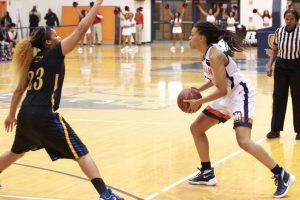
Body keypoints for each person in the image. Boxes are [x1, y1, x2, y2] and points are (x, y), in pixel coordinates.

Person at [0, 1, 123, 199]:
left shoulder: (32, 60)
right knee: (81, 153)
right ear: (49, 42)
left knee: (16, 152)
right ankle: (105, 194)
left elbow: (18, 90)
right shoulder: (54, 52)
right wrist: (98, 3)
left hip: (25, 114)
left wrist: (11, 115)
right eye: (56, 35)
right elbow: (82, 28)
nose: (60, 37)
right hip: (43, 115)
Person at [184, 21, 295, 198]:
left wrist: (200, 100)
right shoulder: (205, 53)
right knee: (197, 128)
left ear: (201, 37)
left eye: (191, 34)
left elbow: (222, 89)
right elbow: (217, 81)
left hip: (240, 94)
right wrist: (198, 91)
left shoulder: (215, 55)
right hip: (227, 95)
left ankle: (282, 174)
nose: (189, 37)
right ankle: (207, 173)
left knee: (243, 141)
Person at [266, 9, 300, 140]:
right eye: (287, 18)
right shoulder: (279, 31)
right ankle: (275, 130)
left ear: (296, 20)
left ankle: (299, 131)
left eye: (291, 19)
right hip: (281, 67)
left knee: (297, 98)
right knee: (278, 98)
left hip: (297, 67)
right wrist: (270, 65)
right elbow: (275, 51)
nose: (289, 21)